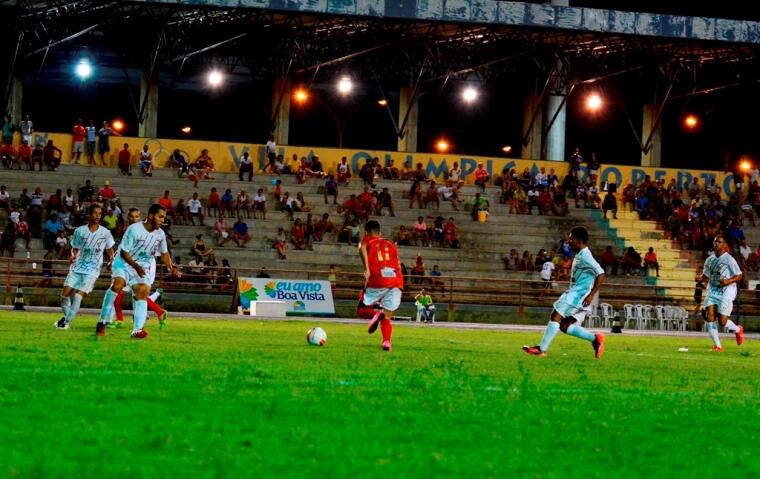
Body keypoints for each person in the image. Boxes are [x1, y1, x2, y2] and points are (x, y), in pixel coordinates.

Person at [94, 204, 180, 338]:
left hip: (140, 267)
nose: (163, 220)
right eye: (160, 217)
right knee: (118, 285)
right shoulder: (134, 229)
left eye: (164, 217)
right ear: (151, 216)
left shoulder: (160, 234)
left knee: (143, 291)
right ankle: (102, 321)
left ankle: (137, 330)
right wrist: (137, 267)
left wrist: (172, 268)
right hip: (123, 263)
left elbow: (164, 254)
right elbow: (124, 253)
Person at [523, 226, 605, 359]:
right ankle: (595, 339)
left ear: (579, 240)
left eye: (571, 239)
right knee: (565, 325)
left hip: (577, 295)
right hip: (579, 294)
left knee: (556, 315)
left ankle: (541, 349)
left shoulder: (586, 256)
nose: (569, 242)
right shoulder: (581, 254)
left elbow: (601, 274)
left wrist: (591, 295)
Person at [55, 204, 115, 330]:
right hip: (77, 267)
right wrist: (72, 255)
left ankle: (66, 323)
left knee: (78, 295)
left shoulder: (105, 233)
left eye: (100, 214)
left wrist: (111, 262)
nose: (98, 216)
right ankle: (66, 319)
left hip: (93, 269)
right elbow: (74, 248)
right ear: (89, 214)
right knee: (64, 295)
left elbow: (110, 252)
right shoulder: (79, 231)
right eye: (95, 213)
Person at [108, 208, 167, 328]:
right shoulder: (131, 230)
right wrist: (113, 260)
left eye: (136, 217)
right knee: (125, 293)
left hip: (145, 266)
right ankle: (155, 313)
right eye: (131, 217)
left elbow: (150, 254)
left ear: (141, 218)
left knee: (136, 294)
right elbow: (123, 250)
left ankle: (127, 320)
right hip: (129, 265)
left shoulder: (153, 232)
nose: (134, 219)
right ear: (128, 218)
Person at [359, 220, 403, 351]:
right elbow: (398, 263)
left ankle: (376, 314)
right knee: (387, 314)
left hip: (378, 278)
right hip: (396, 280)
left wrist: (366, 269)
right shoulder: (390, 243)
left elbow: (362, 248)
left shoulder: (367, 240)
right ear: (380, 232)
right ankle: (387, 342)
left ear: (366, 232)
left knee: (361, 310)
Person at [698, 235, 745, 352]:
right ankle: (718, 346)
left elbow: (739, 275)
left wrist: (728, 281)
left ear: (724, 245)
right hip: (713, 290)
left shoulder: (729, 259)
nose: (716, 244)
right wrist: (701, 280)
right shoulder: (710, 260)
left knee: (722, 322)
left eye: (719, 242)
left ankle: (738, 330)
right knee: (709, 317)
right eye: (715, 242)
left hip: (726, 292)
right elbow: (705, 276)